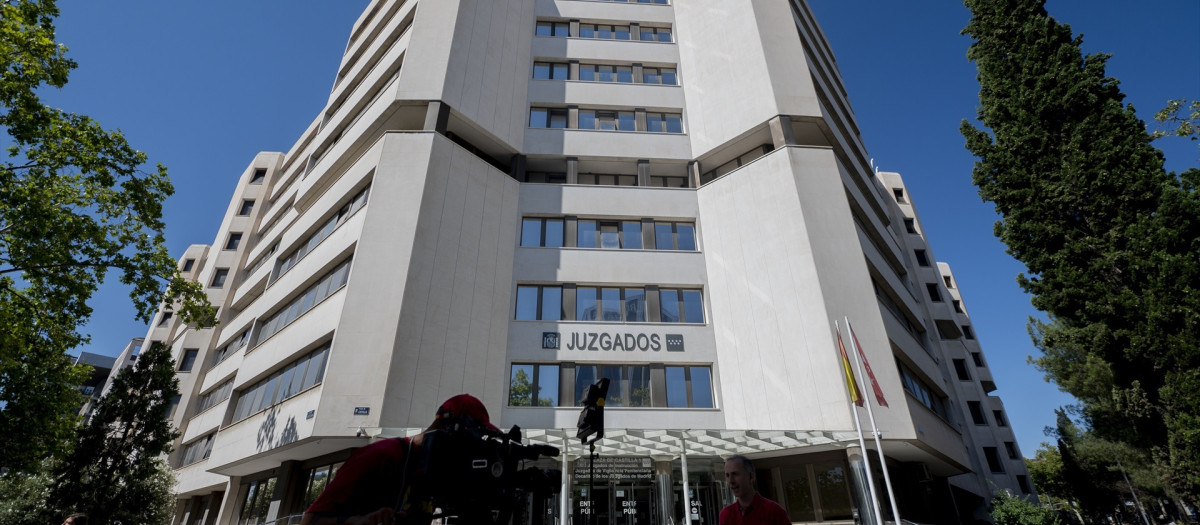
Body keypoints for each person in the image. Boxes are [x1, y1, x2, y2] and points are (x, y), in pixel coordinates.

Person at [299, 394, 500, 525]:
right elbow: (310, 520)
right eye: (474, 439)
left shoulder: (437, 474)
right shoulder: (381, 455)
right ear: (450, 430)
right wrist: (359, 521)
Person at [719, 455, 789, 525]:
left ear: (751, 477)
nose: (731, 481)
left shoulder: (774, 511)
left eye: (735, 474)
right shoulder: (726, 515)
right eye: (727, 475)